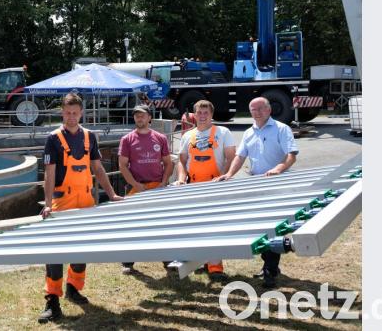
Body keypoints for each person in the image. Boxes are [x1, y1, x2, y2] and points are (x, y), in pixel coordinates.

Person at [38, 93, 124, 323]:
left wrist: (112, 193)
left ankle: (73, 289)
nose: (72, 117)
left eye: (75, 113)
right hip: (61, 203)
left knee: (82, 248)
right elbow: (49, 173)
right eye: (67, 113)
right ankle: (52, 300)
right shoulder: (53, 138)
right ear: (62, 113)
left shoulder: (89, 137)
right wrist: (47, 205)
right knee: (55, 253)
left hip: (86, 202)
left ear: (81, 113)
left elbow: (97, 168)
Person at [216, 96, 299, 287]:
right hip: (256, 184)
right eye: (253, 109)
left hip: (277, 184)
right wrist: (229, 174)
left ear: (269, 110)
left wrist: (279, 168)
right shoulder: (248, 132)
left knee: (273, 226)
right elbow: (240, 156)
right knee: (261, 227)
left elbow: (291, 156)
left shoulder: (281, 129)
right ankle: (270, 266)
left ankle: (270, 270)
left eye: (260, 109)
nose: (257, 112)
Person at [173, 99, 236, 282]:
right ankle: (199, 262)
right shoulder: (187, 136)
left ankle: (215, 267)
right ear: (194, 115)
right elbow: (182, 161)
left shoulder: (223, 132)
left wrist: (222, 176)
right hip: (193, 188)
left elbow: (231, 157)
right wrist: (180, 179)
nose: (202, 116)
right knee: (195, 227)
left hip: (215, 187)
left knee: (214, 227)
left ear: (211, 114)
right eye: (199, 112)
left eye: (206, 112)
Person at [118, 104, 174, 275]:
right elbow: (122, 165)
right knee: (132, 225)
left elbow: (168, 163)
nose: (139, 118)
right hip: (138, 187)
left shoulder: (160, 138)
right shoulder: (127, 139)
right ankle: (128, 262)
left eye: (142, 115)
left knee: (161, 224)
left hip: (157, 186)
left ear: (149, 117)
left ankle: (167, 259)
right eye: (136, 115)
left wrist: (164, 183)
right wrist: (136, 185)